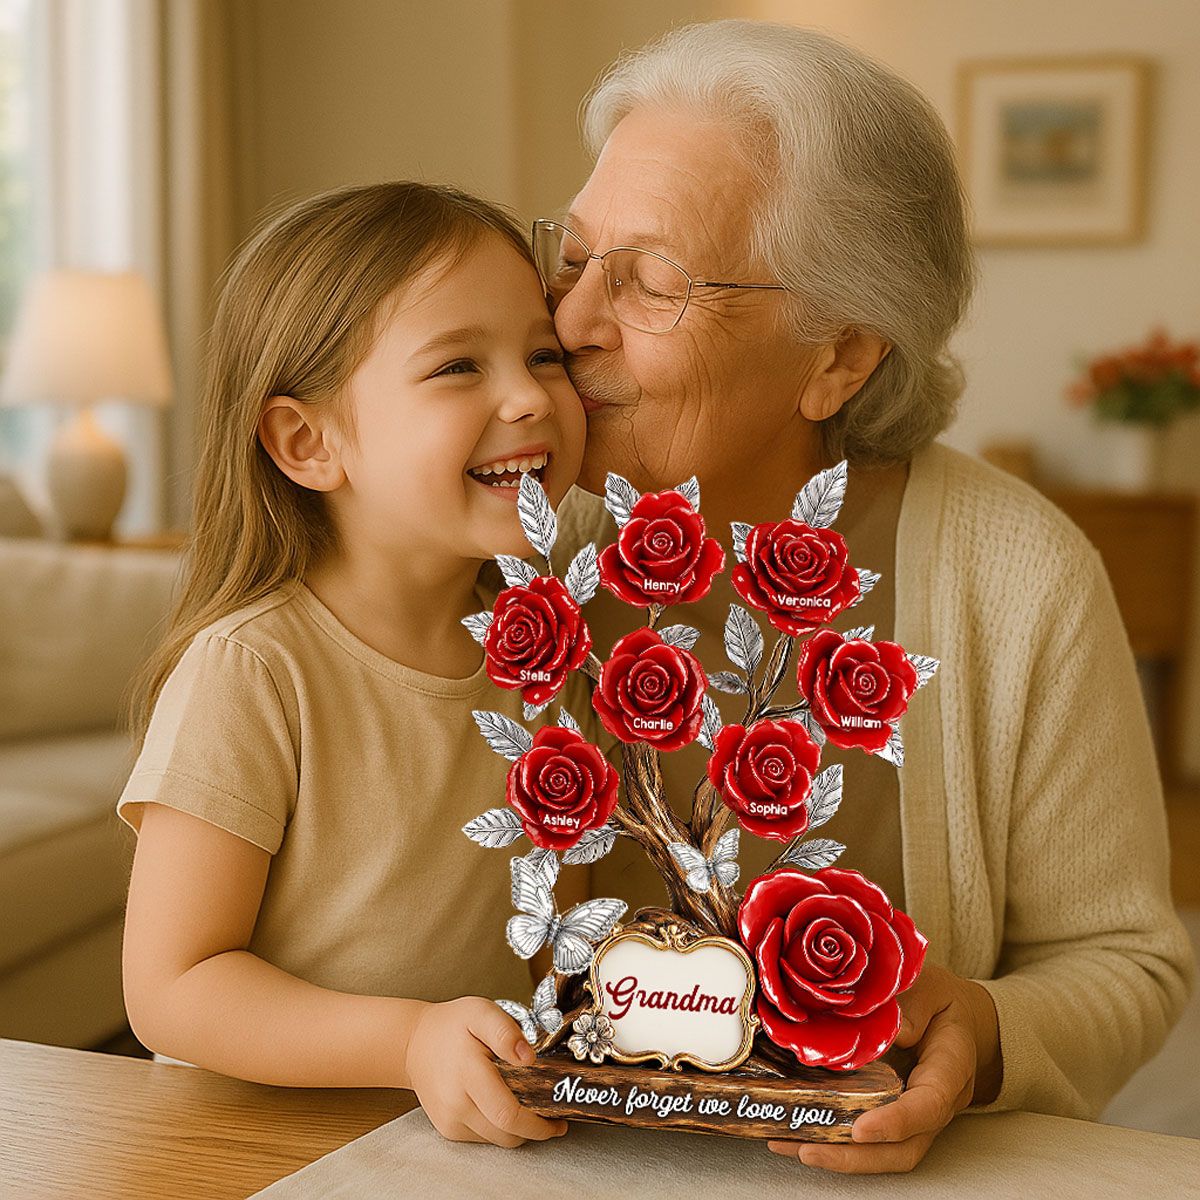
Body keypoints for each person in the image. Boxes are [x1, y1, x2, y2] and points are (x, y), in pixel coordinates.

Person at [540, 20, 1195, 1173]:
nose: (570, 326)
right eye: (574, 258)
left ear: (838, 357)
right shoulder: (502, 527)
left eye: (645, 282)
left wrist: (980, 1032)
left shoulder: (1018, 573)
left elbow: (1127, 959)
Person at [118, 180, 591, 1148]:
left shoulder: (548, 647)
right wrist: (410, 1040)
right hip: (257, 1149)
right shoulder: (251, 671)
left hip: (462, 1144)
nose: (528, 395)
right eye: (459, 365)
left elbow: (560, 926)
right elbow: (169, 990)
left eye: (545, 354)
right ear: (308, 441)